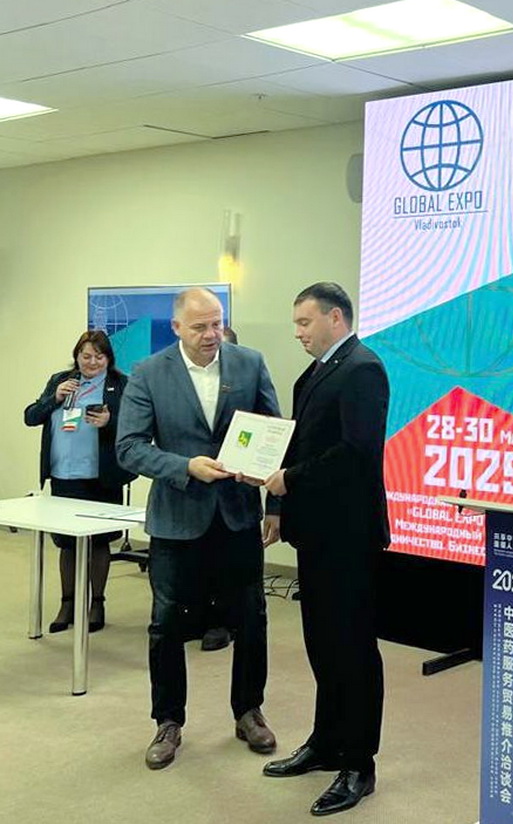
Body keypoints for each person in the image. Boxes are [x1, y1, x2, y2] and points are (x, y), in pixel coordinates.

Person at [116, 288, 282, 770]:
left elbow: (276, 437)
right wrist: (184, 466)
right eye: (199, 327)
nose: (212, 335)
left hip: (237, 515)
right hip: (177, 519)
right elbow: (128, 447)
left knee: (251, 617)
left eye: (217, 324)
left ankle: (249, 711)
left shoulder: (250, 363)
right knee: (166, 624)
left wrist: (275, 505)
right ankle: (168, 721)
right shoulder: (148, 373)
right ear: (176, 328)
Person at [261, 282, 388, 817]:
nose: (298, 333)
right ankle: (326, 741)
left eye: (305, 322)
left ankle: (359, 763)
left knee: (353, 649)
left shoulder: (363, 368)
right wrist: (278, 504)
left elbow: (357, 453)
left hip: (349, 537)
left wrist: (290, 480)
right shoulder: (314, 373)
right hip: (315, 533)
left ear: (336, 318)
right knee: (322, 644)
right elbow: (297, 443)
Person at [23, 330, 137, 633]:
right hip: (64, 475)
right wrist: (54, 398)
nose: (92, 362)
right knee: (67, 543)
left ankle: (97, 603)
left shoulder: (120, 384)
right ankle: (68, 604)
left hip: (101, 477)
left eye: (99, 357)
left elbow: (135, 427)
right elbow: (31, 416)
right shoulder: (60, 380)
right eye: (86, 356)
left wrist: (109, 422)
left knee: (99, 542)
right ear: (76, 356)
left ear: (108, 358)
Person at [199, 325, 238, 654]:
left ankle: (222, 623)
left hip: (235, 497)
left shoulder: (247, 376)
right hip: (188, 496)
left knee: (228, 570)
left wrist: (275, 505)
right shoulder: (159, 374)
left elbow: (273, 430)